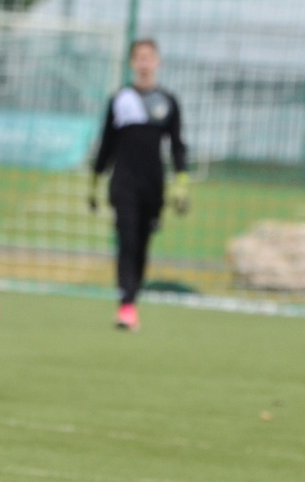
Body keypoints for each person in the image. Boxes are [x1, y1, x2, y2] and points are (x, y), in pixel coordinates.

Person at [89, 38, 188, 331]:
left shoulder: (167, 102)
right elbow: (106, 144)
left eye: (149, 58)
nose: (144, 63)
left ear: (157, 62)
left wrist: (181, 183)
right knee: (127, 241)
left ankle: (132, 300)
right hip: (123, 182)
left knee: (142, 245)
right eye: (139, 58)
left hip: (153, 185)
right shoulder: (120, 99)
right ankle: (126, 304)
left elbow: (178, 146)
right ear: (132, 63)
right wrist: (94, 183)